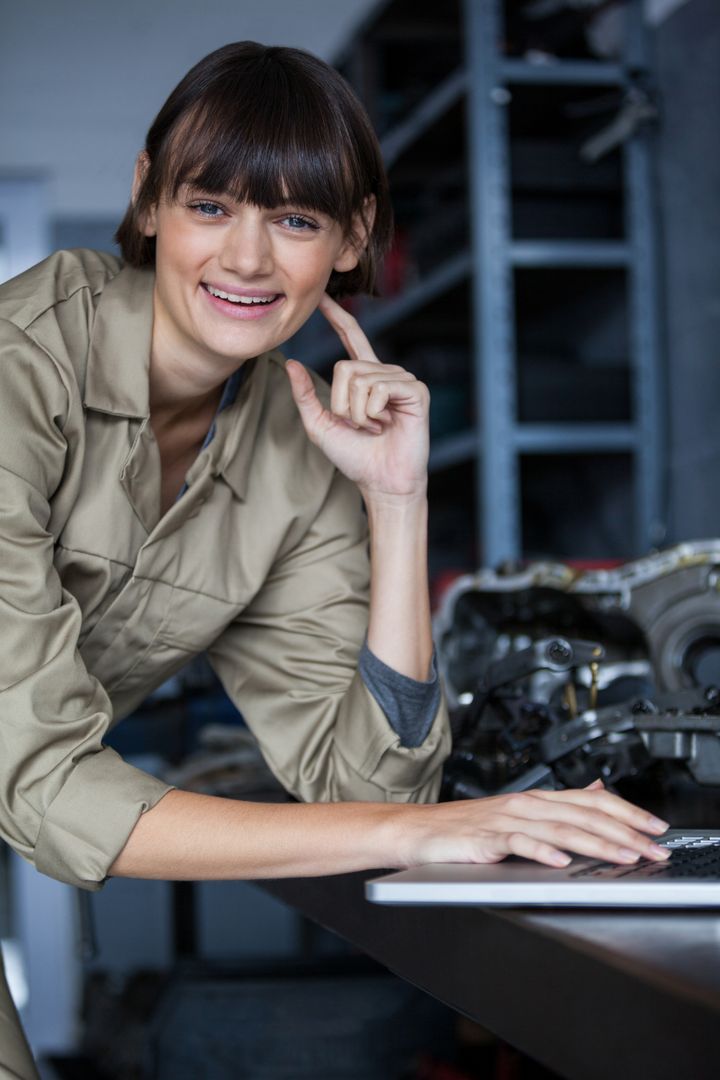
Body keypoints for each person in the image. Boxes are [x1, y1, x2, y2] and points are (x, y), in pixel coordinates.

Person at [0, 41, 669, 1077]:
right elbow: (43, 787)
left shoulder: (293, 444)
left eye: (297, 219)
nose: (248, 260)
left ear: (351, 239)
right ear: (146, 201)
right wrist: (409, 839)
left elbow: (373, 790)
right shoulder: (19, 374)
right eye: (211, 205)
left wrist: (395, 501)